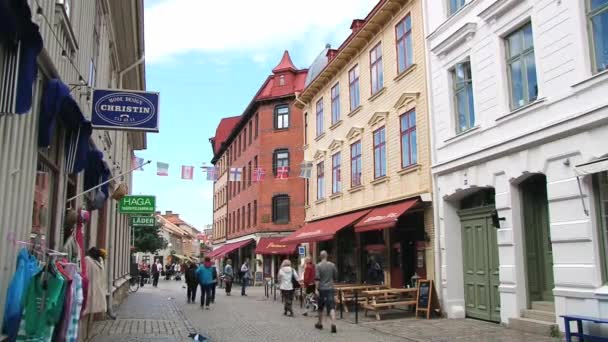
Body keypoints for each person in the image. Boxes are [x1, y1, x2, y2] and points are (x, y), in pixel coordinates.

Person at [315, 250, 338, 334]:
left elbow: (317, 279)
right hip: (330, 288)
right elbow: (335, 276)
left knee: (320, 307)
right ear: (327, 256)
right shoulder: (332, 265)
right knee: (332, 307)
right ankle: (333, 323)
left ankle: (320, 323)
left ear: (320, 257)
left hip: (322, 289)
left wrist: (316, 289)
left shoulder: (318, 266)